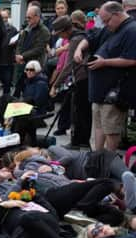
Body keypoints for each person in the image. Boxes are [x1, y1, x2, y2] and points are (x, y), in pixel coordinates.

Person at [73, 1, 136, 151]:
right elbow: (90, 36)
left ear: (117, 14)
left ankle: (107, 162)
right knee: (99, 126)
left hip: (113, 91)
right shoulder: (110, 27)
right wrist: (79, 49)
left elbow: (132, 59)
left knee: (111, 129)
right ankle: (97, 158)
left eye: (107, 20)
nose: (106, 24)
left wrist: (105, 62)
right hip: (98, 91)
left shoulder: (131, 30)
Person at [50, 11, 90, 149]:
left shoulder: (75, 39)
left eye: (59, 33)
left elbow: (68, 65)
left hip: (83, 79)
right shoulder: (79, 35)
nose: (60, 36)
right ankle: (79, 141)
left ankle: (79, 142)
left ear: (65, 30)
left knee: (80, 112)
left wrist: (55, 85)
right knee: (79, 112)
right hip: (82, 78)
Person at [13, 6, 50, 96]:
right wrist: (18, 55)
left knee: (30, 93)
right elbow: (19, 44)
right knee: (17, 90)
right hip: (21, 64)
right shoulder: (26, 28)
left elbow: (39, 49)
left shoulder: (44, 31)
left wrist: (23, 56)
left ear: (37, 17)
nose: (27, 19)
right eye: (26, 17)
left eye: (29, 17)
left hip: (34, 65)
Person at [0, 9, 18, 95]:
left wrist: (15, 43)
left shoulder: (13, 29)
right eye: (2, 18)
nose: (4, 20)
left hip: (8, 60)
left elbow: (17, 44)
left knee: (7, 82)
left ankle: (6, 100)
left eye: (6, 17)